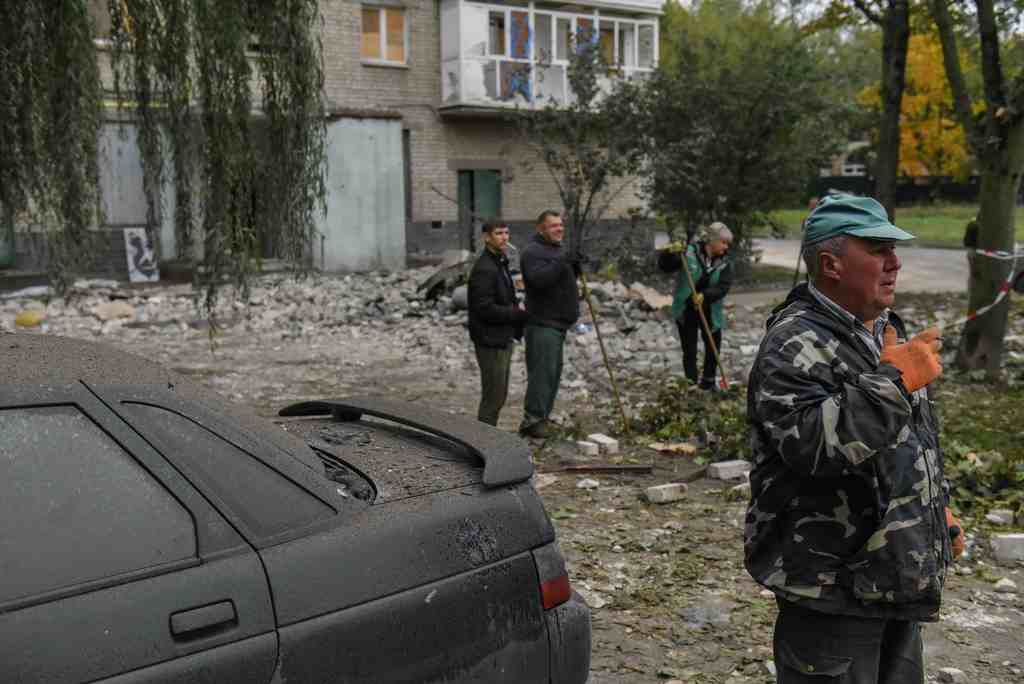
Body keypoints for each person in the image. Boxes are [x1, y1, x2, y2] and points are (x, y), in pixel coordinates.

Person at [744, 194, 966, 684]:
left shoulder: (884, 328)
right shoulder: (792, 343)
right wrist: (894, 381)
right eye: (878, 249)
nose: (895, 262)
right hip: (830, 586)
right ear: (831, 264)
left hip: (894, 574)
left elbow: (914, 438)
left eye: (894, 248)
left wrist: (936, 510)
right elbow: (811, 447)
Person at [518, 210, 581, 438]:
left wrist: (575, 265)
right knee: (542, 374)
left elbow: (562, 278)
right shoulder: (532, 252)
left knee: (552, 373)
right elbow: (539, 280)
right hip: (542, 323)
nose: (559, 229)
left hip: (558, 323)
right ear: (540, 229)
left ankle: (542, 418)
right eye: (553, 226)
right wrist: (562, 261)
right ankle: (533, 421)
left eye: (561, 225)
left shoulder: (556, 250)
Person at [467, 220, 528, 426]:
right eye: (498, 233)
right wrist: (517, 314)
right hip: (490, 340)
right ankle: (484, 442)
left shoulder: (498, 261)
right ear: (486, 237)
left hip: (500, 337)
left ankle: (487, 438)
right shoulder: (485, 268)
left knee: (498, 394)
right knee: (493, 397)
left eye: (506, 233)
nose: (504, 237)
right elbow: (483, 309)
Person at [659, 222, 734, 390]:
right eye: (724, 242)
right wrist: (669, 253)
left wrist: (705, 295)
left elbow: (724, 286)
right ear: (712, 240)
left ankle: (708, 382)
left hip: (710, 309)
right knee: (690, 349)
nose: (726, 247)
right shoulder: (689, 252)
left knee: (713, 348)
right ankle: (691, 384)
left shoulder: (725, 261)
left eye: (728, 243)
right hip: (686, 308)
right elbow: (665, 266)